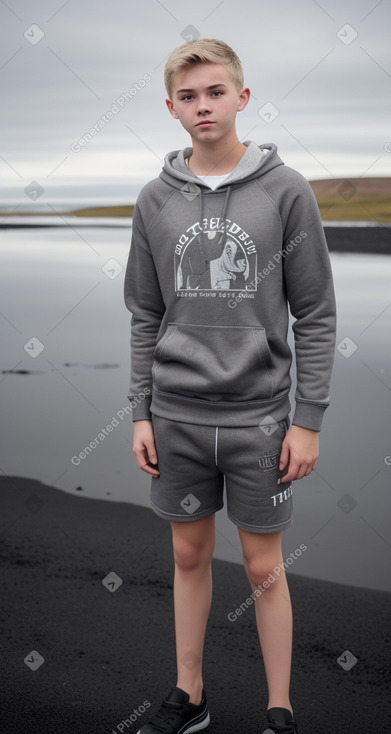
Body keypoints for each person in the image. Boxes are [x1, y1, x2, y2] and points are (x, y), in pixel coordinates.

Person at [124, 37, 336, 734]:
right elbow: (145, 314)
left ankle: (279, 707)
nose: (202, 106)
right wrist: (139, 411)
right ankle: (190, 695)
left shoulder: (285, 191)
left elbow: (314, 313)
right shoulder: (154, 199)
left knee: (262, 566)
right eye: (188, 96)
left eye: (215, 92)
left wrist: (306, 418)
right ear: (170, 108)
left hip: (260, 423)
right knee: (187, 554)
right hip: (177, 418)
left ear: (241, 97)